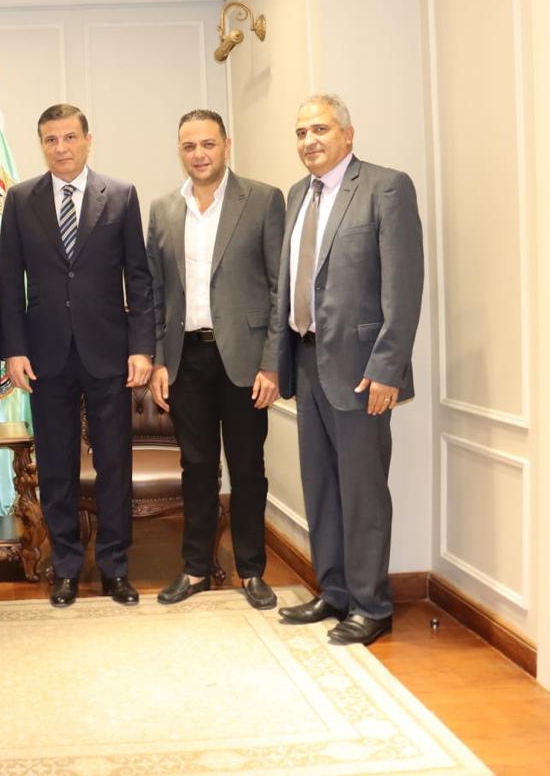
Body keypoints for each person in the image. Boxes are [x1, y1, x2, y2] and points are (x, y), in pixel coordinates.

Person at [274, 94, 424, 646]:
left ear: (348, 134)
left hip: (362, 372)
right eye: (300, 132)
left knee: (362, 493)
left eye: (319, 129)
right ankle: (334, 591)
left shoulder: (386, 187)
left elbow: (403, 288)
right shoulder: (298, 194)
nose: (308, 141)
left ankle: (370, 604)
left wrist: (388, 368)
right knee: (321, 488)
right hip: (306, 361)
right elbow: (291, 285)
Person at [0, 103, 154, 607]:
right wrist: (14, 350)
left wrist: (142, 348)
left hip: (109, 354)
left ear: (89, 140)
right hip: (46, 356)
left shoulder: (121, 195)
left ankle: (114, 567)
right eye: (51, 139)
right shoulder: (20, 200)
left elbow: (138, 278)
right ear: (41, 145)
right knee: (56, 468)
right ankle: (64, 566)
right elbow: (10, 282)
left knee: (114, 465)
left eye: (69, 137)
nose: (60, 147)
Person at [146, 109, 285, 610]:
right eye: (189, 146)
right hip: (186, 360)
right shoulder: (163, 209)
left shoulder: (263, 200)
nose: (199, 154)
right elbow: (155, 292)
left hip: (246, 361)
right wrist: (159, 361)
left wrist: (272, 363)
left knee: (247, 468)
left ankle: (251, 571)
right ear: (179, 151)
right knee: (197, 467)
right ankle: (195, 569)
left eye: (207, 144)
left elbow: (280, 288)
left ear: (227, 145)